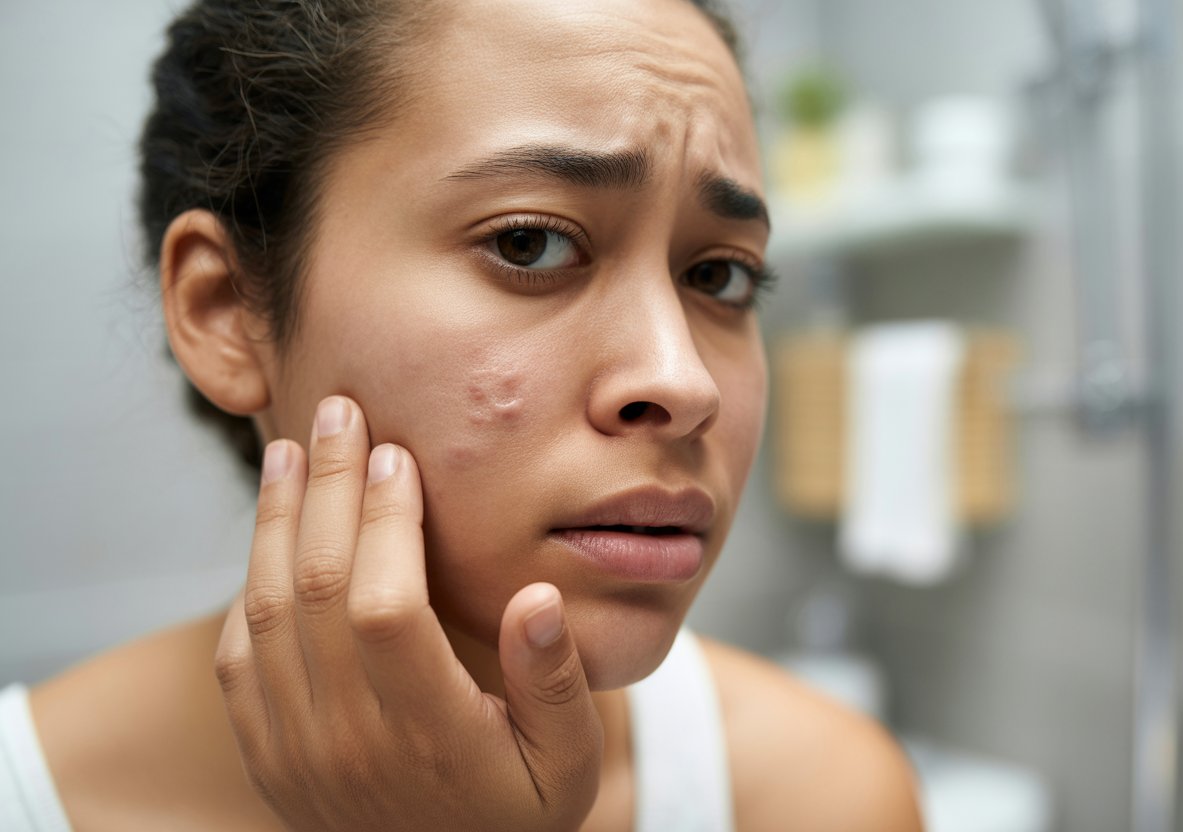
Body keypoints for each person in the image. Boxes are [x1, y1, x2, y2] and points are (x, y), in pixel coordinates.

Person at [0, 0, 924, 828]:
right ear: (228, 312)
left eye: (717, 275)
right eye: (530, 242)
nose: (684, 384)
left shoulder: (821, 798)